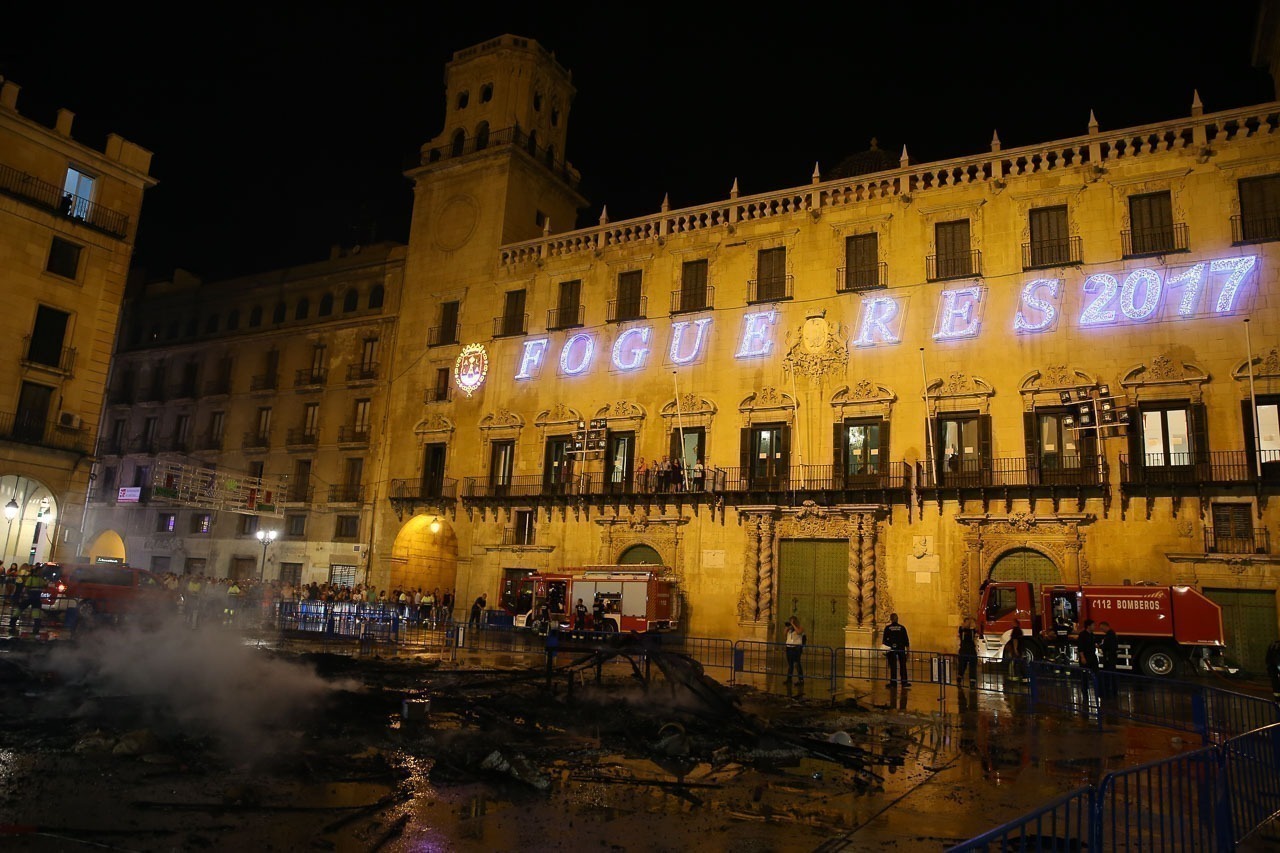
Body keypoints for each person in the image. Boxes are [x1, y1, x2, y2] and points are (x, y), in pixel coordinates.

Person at [882, 613, 910, 687]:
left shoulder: (887, 628)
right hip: (901, 649)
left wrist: (885, 651)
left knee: (893, 667)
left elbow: (884, 641)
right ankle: (904, 682)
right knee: (903, 666)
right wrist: (908, 652)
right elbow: (906, 640)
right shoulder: (902, 628)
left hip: (892, 650)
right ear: (897, 619)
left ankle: (893, 682)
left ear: (891, 619)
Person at [1076, 619, 1098, 693]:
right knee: (1084, 675)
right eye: (1093, 625)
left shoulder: (1092, 635)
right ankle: (1084, 690)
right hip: (1086, 656)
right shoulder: (1082, 635)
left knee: (1096, 672)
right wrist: (1082, 657)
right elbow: (1080, 647)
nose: (1094, 627)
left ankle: (1097, 689)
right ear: (1088, 626)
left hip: (1092, 656)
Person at [1099, 621, 1119, 699]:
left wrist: (1102, 647)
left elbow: (1108, 646)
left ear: (1105, 626)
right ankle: (1112, 691)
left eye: (1101, 628)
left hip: (1109, 658)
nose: (1101, 630)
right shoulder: (1111, 634)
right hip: (1110, 657)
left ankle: (1110, 691)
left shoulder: (1110, 635)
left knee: (1109, 674)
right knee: (1111, 674)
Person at [957, 616, 979, 688]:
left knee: (973, 666)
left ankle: (972, 681)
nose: (969, 624)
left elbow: (977, 628)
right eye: (967, 622)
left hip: (971, 650)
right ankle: (959, 678)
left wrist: (973, 620)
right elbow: (962, 627)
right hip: (964, 650)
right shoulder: (962, 630)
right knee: (962, 666)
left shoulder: (972, 631)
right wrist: (967, 622)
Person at [784, 616, 806, 686]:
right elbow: (784, 634)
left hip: (796, 648)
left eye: (792, 621)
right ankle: (789, 679)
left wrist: (793, 625)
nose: (791, 623)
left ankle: (801, 680)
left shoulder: (800, 628)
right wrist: (787, 628)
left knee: (797, 664)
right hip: (789, 648)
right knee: (790, 665)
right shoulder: (790, 630)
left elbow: (799, 632)